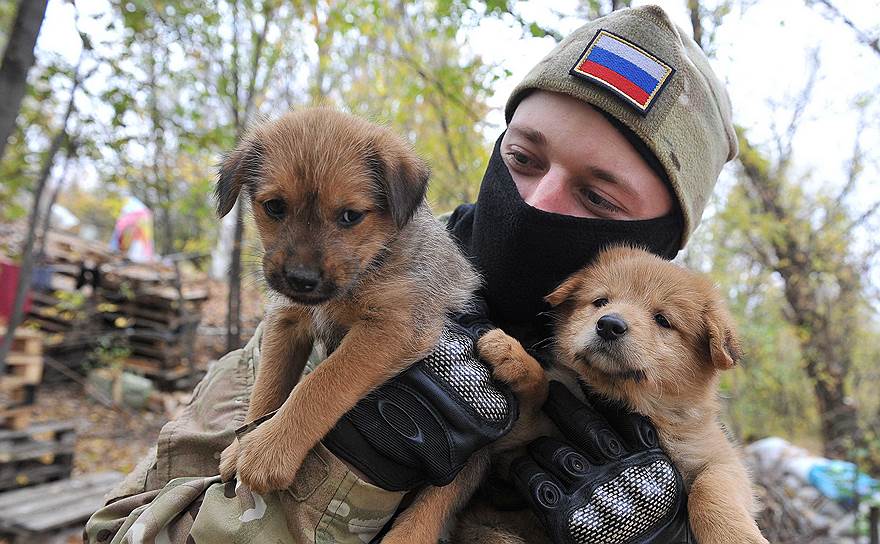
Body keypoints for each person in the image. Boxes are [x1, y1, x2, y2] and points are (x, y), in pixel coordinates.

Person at [85, 5, 736, 543]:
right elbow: (119, 529)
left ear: (662, 241)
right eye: (524, 156)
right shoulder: (326, 312)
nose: (535, 202)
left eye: (597, 196)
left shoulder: (680, 405)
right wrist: (340, 476)